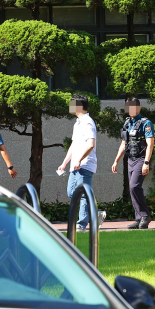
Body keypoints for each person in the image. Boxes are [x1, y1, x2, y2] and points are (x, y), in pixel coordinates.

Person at [58, 95, 106, 232]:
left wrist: (79, 159)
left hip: (85, 164)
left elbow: (91, 144)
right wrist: (65, 162)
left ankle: (82, 224)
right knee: (71, 192)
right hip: (76, 165)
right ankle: (96, 214)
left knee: (83, 194)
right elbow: (74, 144)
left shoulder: (87, 122)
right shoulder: (78, 123)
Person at [111, 98, 155, 229]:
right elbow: (124, 144)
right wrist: (116, 160)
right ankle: (139, 218)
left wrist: (146, 162)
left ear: (138, 108)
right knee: (131, 189)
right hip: (130, 159)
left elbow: (150, 143)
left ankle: (145, 215)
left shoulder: (146, 123)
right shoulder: (127, 123)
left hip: (141, 159)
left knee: (135, 186)